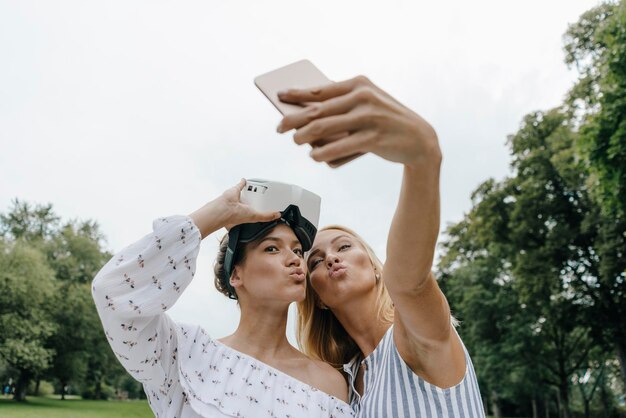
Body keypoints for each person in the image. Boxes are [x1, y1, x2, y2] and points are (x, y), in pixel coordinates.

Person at [276, 76, 486, 417]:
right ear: (319, 300)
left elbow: (409, 282)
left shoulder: (418, 338)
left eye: (344, 246)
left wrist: (422, 157)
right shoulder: (344, 384)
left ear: (376, 268)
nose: (330, 258)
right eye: (314, 261)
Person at [92, 179, 354, 418]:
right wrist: (220, 212)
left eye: (297, 250)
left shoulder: (328, 383)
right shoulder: (186, 355)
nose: (295, 259)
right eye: (272, 248)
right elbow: (114, 293)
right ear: (236, 275)